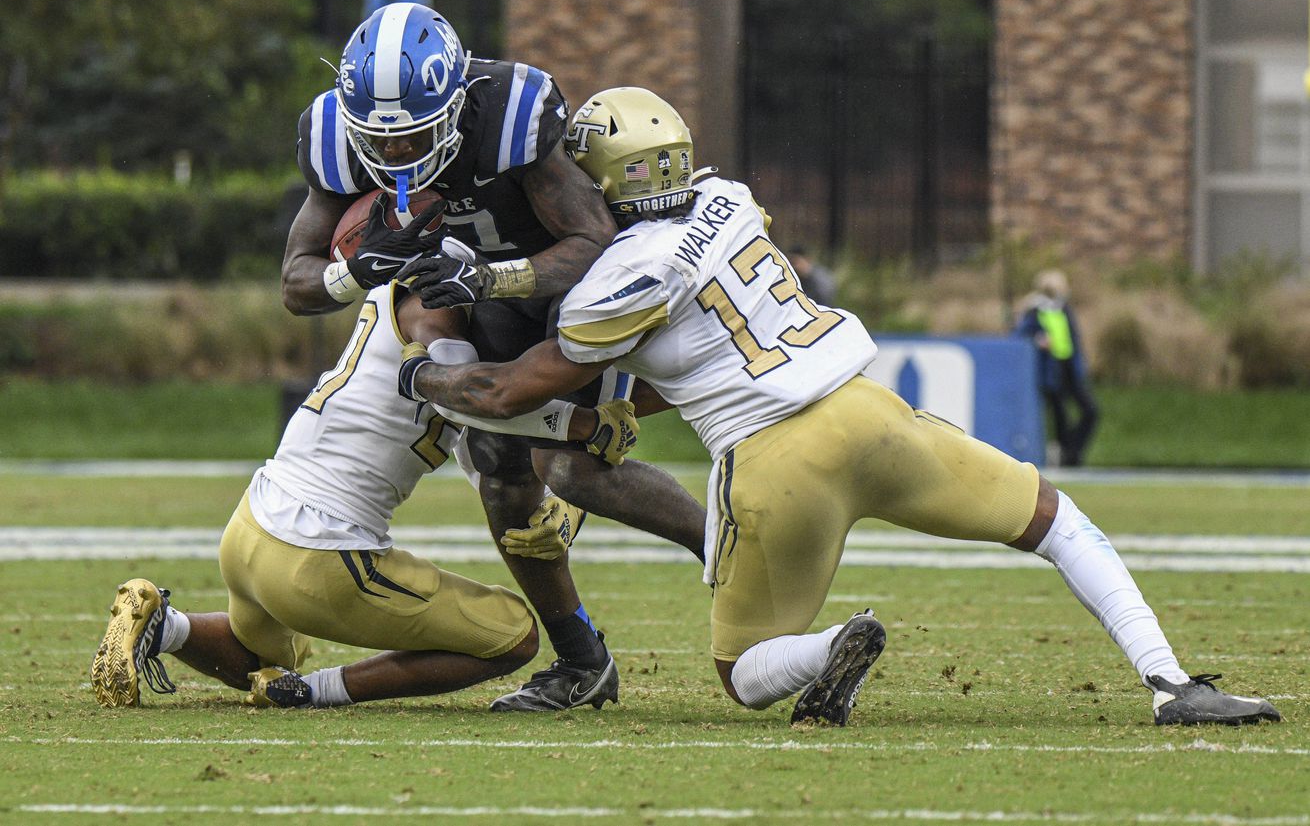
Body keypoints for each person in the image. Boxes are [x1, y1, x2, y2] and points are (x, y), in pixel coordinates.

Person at [396, 86, 1281, 727]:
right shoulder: (729, 198)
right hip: (869, 411)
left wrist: (423, 374)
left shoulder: (612, 281)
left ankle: (834, 646)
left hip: (775, 465)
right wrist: (628, 403)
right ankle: (1173, 684)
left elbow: (513, 388)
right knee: (1054, 518)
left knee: (742, 672)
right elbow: (712, 333)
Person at [278, 3, 707, 710]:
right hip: (480, 300)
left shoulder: (509, 112)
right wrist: (353, 272)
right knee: (505, 475)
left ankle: (723, 545)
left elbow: (590, 238)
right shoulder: (336, 140)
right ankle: (581, 660)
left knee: (573, 472)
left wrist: (491, 276)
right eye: (377, 143)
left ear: (453, 104)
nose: (393, 157)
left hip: (565, 287)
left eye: (413, 135)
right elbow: (297, 284)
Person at [90, 278, 641, 710]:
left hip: (250, 527)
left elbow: (483, 453)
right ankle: (314, 693)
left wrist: (554, 501)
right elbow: (479, 402)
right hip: (321, 552)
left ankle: (163, 623)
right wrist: (584, 425)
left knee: (261, 658)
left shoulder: (395, 301)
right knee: (514, 635)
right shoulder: (435, 319)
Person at [1013, 269, 1099, 466]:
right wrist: (1038, 340)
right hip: (1051, 370)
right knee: (1060, 416)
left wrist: (1080, 364)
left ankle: (1072, 450)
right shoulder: (1035, 311)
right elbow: (1019, 336)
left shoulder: (1064, 309)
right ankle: (1067, 458)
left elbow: (1074, 339)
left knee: (1091, 411)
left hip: (1069, 367)